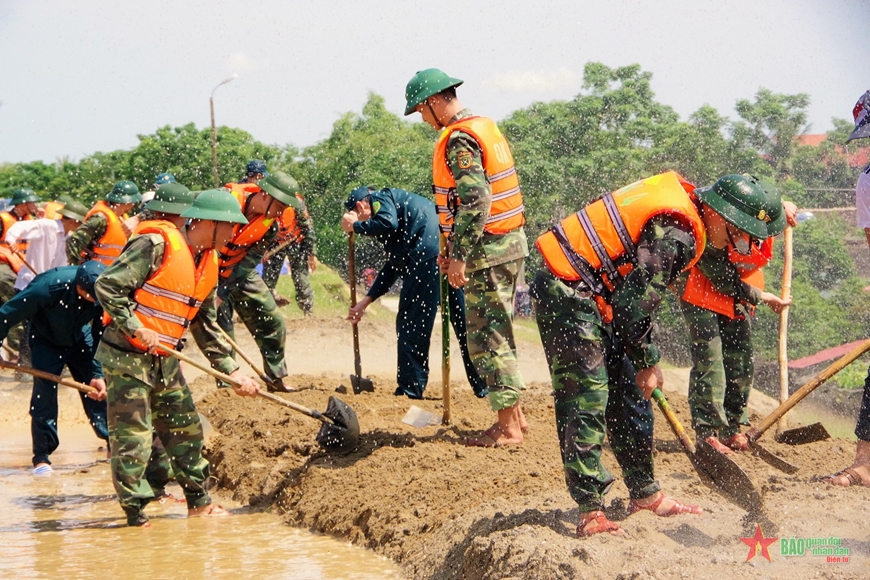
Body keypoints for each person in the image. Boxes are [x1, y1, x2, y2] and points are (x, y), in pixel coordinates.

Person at [532, 172, 782, 536]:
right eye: (739, 234)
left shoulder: (689, 215)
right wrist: (648, 361)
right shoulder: (679, 233)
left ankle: (645, 493)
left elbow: (631, 299)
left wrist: (643, 361)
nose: (739, 245)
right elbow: (634, 304)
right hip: (566, 289)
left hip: (598, 294)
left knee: (632, 395)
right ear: (721, 215)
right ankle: (590, 509)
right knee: (586, 397)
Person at [95, 188, 259, 527]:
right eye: (229, 227)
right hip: (128, 357)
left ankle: (199, 502)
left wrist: (233, 372)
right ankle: (136, 515)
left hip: (165, 360)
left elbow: (204, 325)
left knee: (186, 428)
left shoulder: (208, 262)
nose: (233, 235)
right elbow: (108, 286)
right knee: (134, 438)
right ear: (209, 223)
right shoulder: (154, 246)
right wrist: (134, 326)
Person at [404, 68, 528, 446]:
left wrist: (459, 256)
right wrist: (450, 250)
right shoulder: (482, 127)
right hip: (504, 245)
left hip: (489, 251)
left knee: (488, 339)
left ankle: (507, 429)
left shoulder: (459, 139)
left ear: (435, 101)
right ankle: (516, 421)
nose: (423, 120)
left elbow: (476, 201)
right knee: (499, 333)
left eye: (422, 111)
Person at [674, 184, 795, 453]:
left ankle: (731, 427)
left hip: (738, 291)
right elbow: (720, 274)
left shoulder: (762, 220)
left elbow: (766, 210)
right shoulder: (717, 223)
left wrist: (781, 209)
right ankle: (707, 432)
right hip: (701, 288)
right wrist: (761, 296)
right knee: (711, 358)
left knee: (741, 357)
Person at [342, 186, 487, 399]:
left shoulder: (380, 198)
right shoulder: (400, 216)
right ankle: (484, 384)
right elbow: (393, 267)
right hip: (447, 253)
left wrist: (356, 225)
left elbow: (386, 222)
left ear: (360, 205)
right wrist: (365, 302)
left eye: (358, 214)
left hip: (427, 256)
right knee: (464, 321)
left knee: (411, 324)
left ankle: (410, 389)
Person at [0, 260, 108, 475]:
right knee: (45, 395)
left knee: (98, 391)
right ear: (78, 287)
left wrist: (96, 372)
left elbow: (98, 334)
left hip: (80, 336)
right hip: (45, 340)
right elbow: (6, 313)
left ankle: (111, 439)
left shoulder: (102, 292)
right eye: (88, 296)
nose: (93, 301)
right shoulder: (47, 287)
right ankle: (42, 457)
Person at [217, 171, 298, 392]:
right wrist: (141, 216)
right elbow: (179, 202)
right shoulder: (224, 197)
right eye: (280, 206)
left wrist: (222, 292)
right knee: (220, 326)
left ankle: (275, 377)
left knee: (273, 321)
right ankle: (226, 383)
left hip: (238, 271)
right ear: (264, 194)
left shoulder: (270, 227)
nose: (282, 213)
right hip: (208, 269)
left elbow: (248, 262)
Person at [5, 198, 88, 290]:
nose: (81, 227)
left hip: (46, 288)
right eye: (81, 223)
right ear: (73, 221)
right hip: (27, 285)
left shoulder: (68, 239)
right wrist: (11, 240)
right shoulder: (46, 226)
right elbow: (19, 226)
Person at [262, 190, 318, 315]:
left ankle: (308, 310)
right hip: (276, 243)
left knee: (300, 278)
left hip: (296, 242)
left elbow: (308, 228)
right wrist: (262, 249)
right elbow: (262, 230)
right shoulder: (267, 203)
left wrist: (311, 253)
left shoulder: (297, 204)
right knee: (267, 279)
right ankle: (263, 308)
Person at [0, 187, 41, 356]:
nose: (35, 205)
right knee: (16, 310)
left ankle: (21, 356)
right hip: (3, 268)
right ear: (22, 204)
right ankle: (20, 357)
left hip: (19, 270)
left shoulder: (31, 221)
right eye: (32, 202)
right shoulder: (3, 219)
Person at [67, 180, 141, 266]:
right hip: (92, 272)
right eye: (133, 202)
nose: (133, 205)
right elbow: (74, 241)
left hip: (109, 273)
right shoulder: (100, 219)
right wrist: (75, 267)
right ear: (128, 202)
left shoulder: (122, 219)